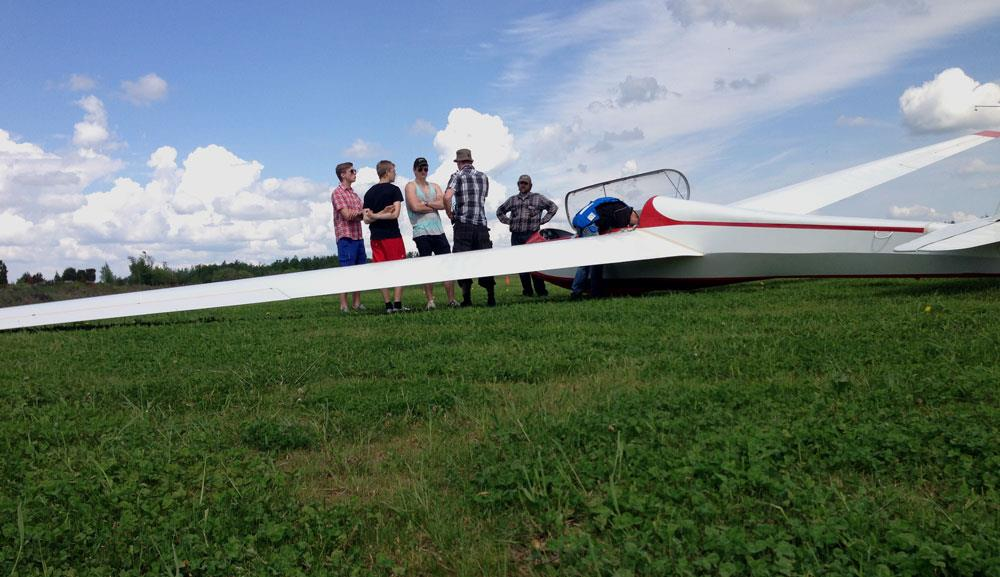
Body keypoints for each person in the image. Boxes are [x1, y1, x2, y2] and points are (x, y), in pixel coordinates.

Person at [443, 148, 496, 307]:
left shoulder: (456, 176)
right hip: (481, 225)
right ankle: (491, 297)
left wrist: (449, 212)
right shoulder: (483, 177)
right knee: (484, 261)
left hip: (463, 224)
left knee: (462, 261)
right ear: (471, 161)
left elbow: (447, 197)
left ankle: (467, 299)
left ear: (459, 162)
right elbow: (483, 197)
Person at [404, 157, 459, 309]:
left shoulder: (435, 186)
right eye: (420, 169)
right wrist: (434, 206)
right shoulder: (410, 186)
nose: (423, 172)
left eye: (426, 169)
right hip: (421, 231)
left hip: (438, 230)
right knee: (426, 266)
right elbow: (415, 206)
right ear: (414, 170)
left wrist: (427, 204)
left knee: (447, 264)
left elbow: (443, 204)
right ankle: (430, 301)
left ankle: (451, 299)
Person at [496, 174, 559, 297]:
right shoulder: (512, 200)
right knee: (521, 265)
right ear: (518, 185)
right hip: (516, 236)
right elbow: (499, 211)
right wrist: (509, 221)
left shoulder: (538, 198)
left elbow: (553, 207)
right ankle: (527, 291)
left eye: (525, 183)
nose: (522, 185)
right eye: (520, 183)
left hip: (532, 235)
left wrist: (544, 220)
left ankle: (541, 291)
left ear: (530, 185)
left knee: (535, 264)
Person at [570, 197, 640, 300]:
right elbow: (620, 233)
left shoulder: (617, 206)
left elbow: (606, 224)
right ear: (634, 215)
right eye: (635, 223)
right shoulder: (624, 211)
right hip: (589, 224)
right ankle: (592, 293)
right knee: (596, 260)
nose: (633, 224)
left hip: (580, 221)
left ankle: (580, 291)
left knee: (587, 259)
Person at [363, 160, 408, 313]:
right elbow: (394, 214)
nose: (395, 173)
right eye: (394, 171)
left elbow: (367, 219)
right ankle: (397, 304)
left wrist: (375, 214)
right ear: (387, 171)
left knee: (380, 270)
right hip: (392, 236)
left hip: (375, 237)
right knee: (400, 268)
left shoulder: (369, 193)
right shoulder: (394, 190)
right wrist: (381, 213)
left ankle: (387, 305)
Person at [331, 161, 366, 313]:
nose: (354, 173)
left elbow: (362, 214)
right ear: (342, 174)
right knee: (346, 271)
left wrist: (363, 214)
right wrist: (361, 214)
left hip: (358, 236)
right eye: (352, 171)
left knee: (359, 270)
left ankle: (357, 303)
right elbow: (346, 215)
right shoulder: (337, 193)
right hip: (346, 237)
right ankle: (343, 304)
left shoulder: (355, 195)